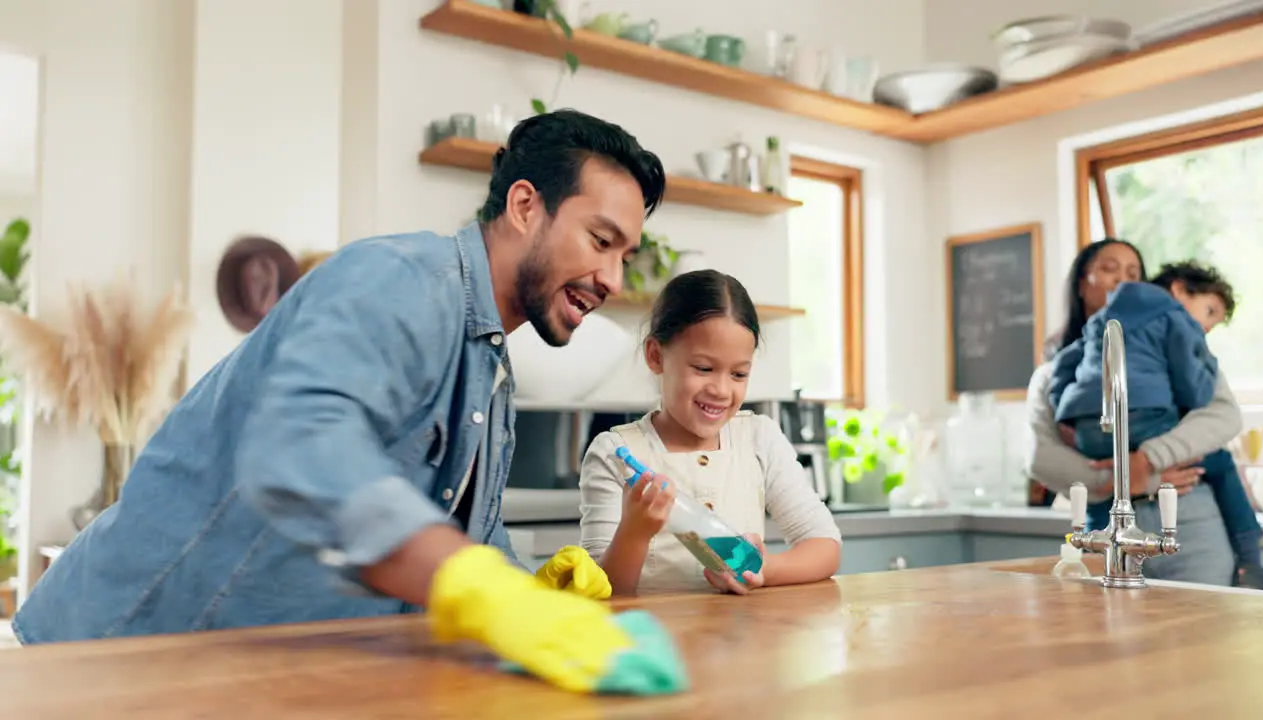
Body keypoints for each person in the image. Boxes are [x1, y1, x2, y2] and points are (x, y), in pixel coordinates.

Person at [15, 109, 676, 693]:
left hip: (243, 682)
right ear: (526, 206)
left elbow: (450, 528)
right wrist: (484, 592)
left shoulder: (491, 367)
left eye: (625, 255)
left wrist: (524, 585)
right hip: (111, 666)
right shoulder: (399, 280)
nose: (613, 279)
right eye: (601, 240)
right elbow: (302, 446)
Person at [578, 269, 842, 596]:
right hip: (652, 643)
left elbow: (825, 546)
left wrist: (762, 569)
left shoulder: (759, 439)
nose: (720, 389)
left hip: (743, 643)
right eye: (703, 369)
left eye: (738, 374)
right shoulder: (615, 453)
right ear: (656, 356)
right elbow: (598, 592)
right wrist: (634, 531)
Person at [1025, 239, 1245, 586]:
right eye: (1110, 269)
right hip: (1100, 530)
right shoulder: (1054, 371)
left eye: (1133, 273)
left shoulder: (1169, 343)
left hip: (1191, 528)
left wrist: (1149, 458)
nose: (1122, 281)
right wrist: (1135, 479)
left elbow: (1224, 415)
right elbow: (1042, 459)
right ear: (1083, 282)